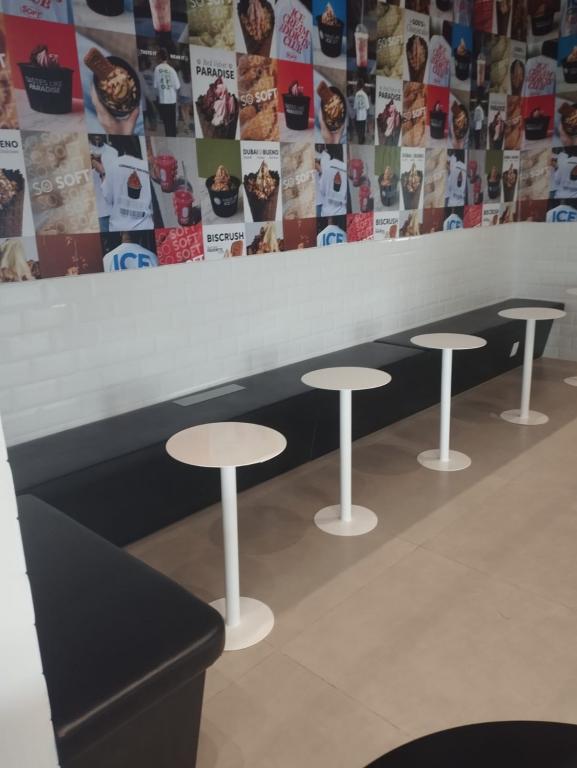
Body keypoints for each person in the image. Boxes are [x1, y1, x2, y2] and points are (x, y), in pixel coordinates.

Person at [101, 136, 154, 231]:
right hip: (145, 226)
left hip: (119, 227)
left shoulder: (115, 164)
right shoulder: (146, 167)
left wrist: (102, 173)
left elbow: (107, 197)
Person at [88, 134, 118, 232]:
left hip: (114, 211)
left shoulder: (113, 152)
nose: (97, 134)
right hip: (96, 213)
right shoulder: (82, 151)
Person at [153, 48, 180, 137]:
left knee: (167, 124)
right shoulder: (172, 70)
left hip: (163, 100)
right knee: (172, 123)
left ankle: (169, 139)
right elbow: (177, 86)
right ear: (166, 57)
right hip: (172, 100)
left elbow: (155, 85)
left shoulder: (157, 69)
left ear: (158, 57)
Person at [353, 79, 370, 144]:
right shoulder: (365, 94)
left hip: (358, 116)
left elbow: (355, 106)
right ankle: (362, 140)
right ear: (363, 86)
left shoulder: (356, 94)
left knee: (359, 129)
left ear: (358, 86)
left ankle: (359, 139)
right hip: (363, 116)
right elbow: (367, 107)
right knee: (363, 129)